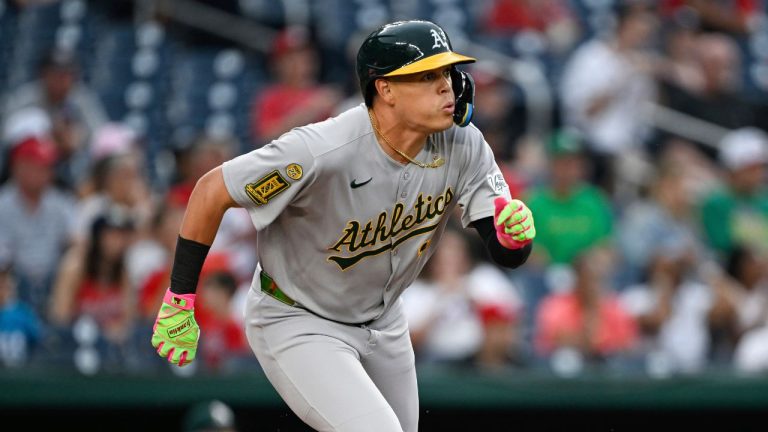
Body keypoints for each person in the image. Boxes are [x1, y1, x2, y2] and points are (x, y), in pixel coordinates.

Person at [150, 20, 536, 432]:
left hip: (384, 320)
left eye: (446, 73)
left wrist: (513, 238)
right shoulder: (321, 149)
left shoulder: (464, 143)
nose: (447, 86)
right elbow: (212, 191)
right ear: (384, 89)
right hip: (299, 318)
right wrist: (180, 296)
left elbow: (505, 252)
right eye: (427, 76)